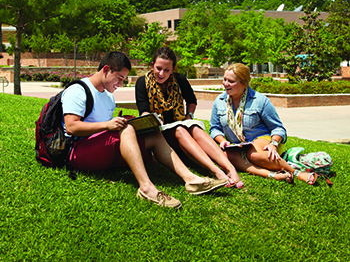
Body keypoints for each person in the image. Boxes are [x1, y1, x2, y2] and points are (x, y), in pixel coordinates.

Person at [62, 51, 227, 209]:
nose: (120, 84)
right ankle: (146, 189)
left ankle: (191, 179)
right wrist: (108, 125)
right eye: (119, 78)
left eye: (124, 80)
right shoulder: (78, 90)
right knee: (126, 130)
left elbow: (103, 131)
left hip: (99, 149)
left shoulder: (108, 96)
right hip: (77, 152)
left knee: (153, 134)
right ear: (106, 70)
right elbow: (71, 127)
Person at [135, 46, 244, 189]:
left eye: (167, 70)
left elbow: (191, 100)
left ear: (173, 69)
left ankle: (231, 169)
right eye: (158, 68)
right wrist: (153, 119)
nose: (161, 73)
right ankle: (217, 172)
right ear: (152, 66)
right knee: (180, 129)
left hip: (181, 128)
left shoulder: (179, 80)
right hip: (159, 135)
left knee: (194, 127)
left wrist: (189, 116)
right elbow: (143, 112)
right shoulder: (142, 82)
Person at [209, 63, 317, 185]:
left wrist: (274, 143)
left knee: (253, 154)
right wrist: (222, 140)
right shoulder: (219, 101)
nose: (225, 84)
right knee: (226, 156)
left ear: (243, 83)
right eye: (224, 79)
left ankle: (296, 172)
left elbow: (278, 128)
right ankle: (273, 175)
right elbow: (214, 128)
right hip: (237, 146)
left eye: (231, 81)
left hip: (262, 140)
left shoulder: (260, 101)